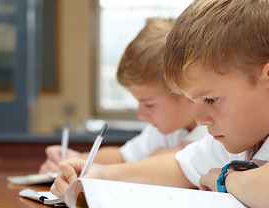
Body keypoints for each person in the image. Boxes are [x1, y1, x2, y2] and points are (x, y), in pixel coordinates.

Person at [50, 0, 269, 208]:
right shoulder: (255, 123)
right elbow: (184, 166)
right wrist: (100, 175)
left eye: (210, 100)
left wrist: (227, 177)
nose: (199, 119)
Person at [38, 17, 207, 174]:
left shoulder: (217, 134)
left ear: (187, 94)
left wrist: (163, 160)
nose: (141, 114)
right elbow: (123, 157)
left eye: (149, 104)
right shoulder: (166, 129)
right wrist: (76, 160)